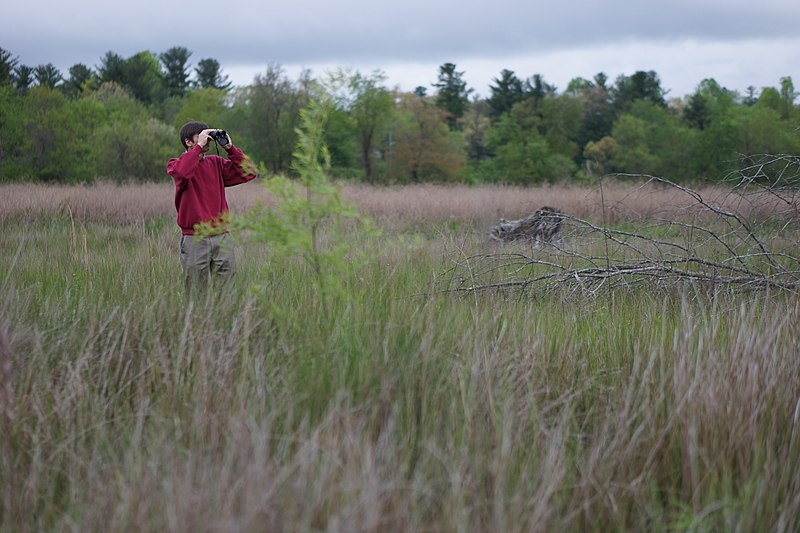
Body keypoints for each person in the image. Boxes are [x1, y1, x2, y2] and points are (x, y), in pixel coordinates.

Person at [167, 121, 257, 291]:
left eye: (207, 135)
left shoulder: (216, 163)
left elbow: (250, 171)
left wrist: (231, 149)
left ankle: (225, 317)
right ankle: (197, 318)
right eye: (201, 136)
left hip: (221, 236)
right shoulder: (176, 164)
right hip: (195, 238)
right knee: (196, 291)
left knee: (227, 291)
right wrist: (199, 147)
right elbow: (183, 172)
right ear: (189, 141)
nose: (207, 139)